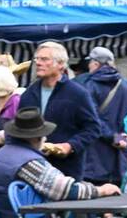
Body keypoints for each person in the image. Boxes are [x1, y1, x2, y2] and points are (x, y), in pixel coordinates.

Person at [0, 106, 120, 218]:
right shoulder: (28, 162)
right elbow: (67, 190)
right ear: (36, 138)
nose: (46, 138)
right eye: (44, 134)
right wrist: (102, 190)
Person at [19, 41, 105, 180]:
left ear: (60, 64)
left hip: (66, 171)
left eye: (44, 59)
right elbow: (19, 128)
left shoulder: (77, 93)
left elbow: (93, 128)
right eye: (37, 59)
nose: (38, 63)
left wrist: (70, 146)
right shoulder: (29, 94)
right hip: (33, 167)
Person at [80, 46, 127, 186]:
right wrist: (124, 137)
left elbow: (92, 120)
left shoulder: (89, 86)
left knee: (97, 203)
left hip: (95, 160)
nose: (88, 66)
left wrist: (114, 137)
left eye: (90, 63)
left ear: (95, 64)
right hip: (122, 157)